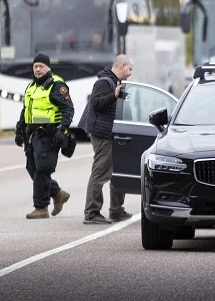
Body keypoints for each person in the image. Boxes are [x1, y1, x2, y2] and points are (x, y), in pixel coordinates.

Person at [15, 53, 74, 219]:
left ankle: (41, 207)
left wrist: (62, 130)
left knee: (42, 170)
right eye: (35, 66)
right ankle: (57, 193)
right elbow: (26, 109)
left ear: (48, 68)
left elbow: (68, 109)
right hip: (33, 135)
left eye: (41, 66)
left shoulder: (56, 85)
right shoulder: (32, 86)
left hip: (50, 134)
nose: (38, 69)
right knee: (32, 168)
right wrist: (19, 129)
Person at [80, 54, 135, 224]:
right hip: (103, 134)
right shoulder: (104, 82)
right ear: (121, 65)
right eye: (130, 69)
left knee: (118, 172)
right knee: (101, 171)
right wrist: (114, 96)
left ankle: (116, 211)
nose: (131, 73)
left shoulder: (115, 82)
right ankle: (91, 212)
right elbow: (96, 103)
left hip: (114, 133)